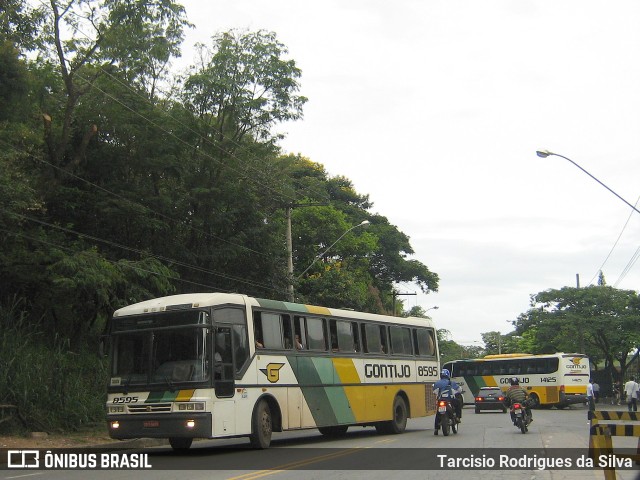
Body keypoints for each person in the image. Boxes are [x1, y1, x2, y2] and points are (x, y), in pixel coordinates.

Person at [432, 368, 462, 435]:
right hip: (450, 400)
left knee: (438, 413)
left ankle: (436, 429)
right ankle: (457, 417)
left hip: (441, 400)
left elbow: (434, 391)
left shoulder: (437, 383)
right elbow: (459, 390)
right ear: (448, 375)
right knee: (458, 403)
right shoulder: (451, 383)